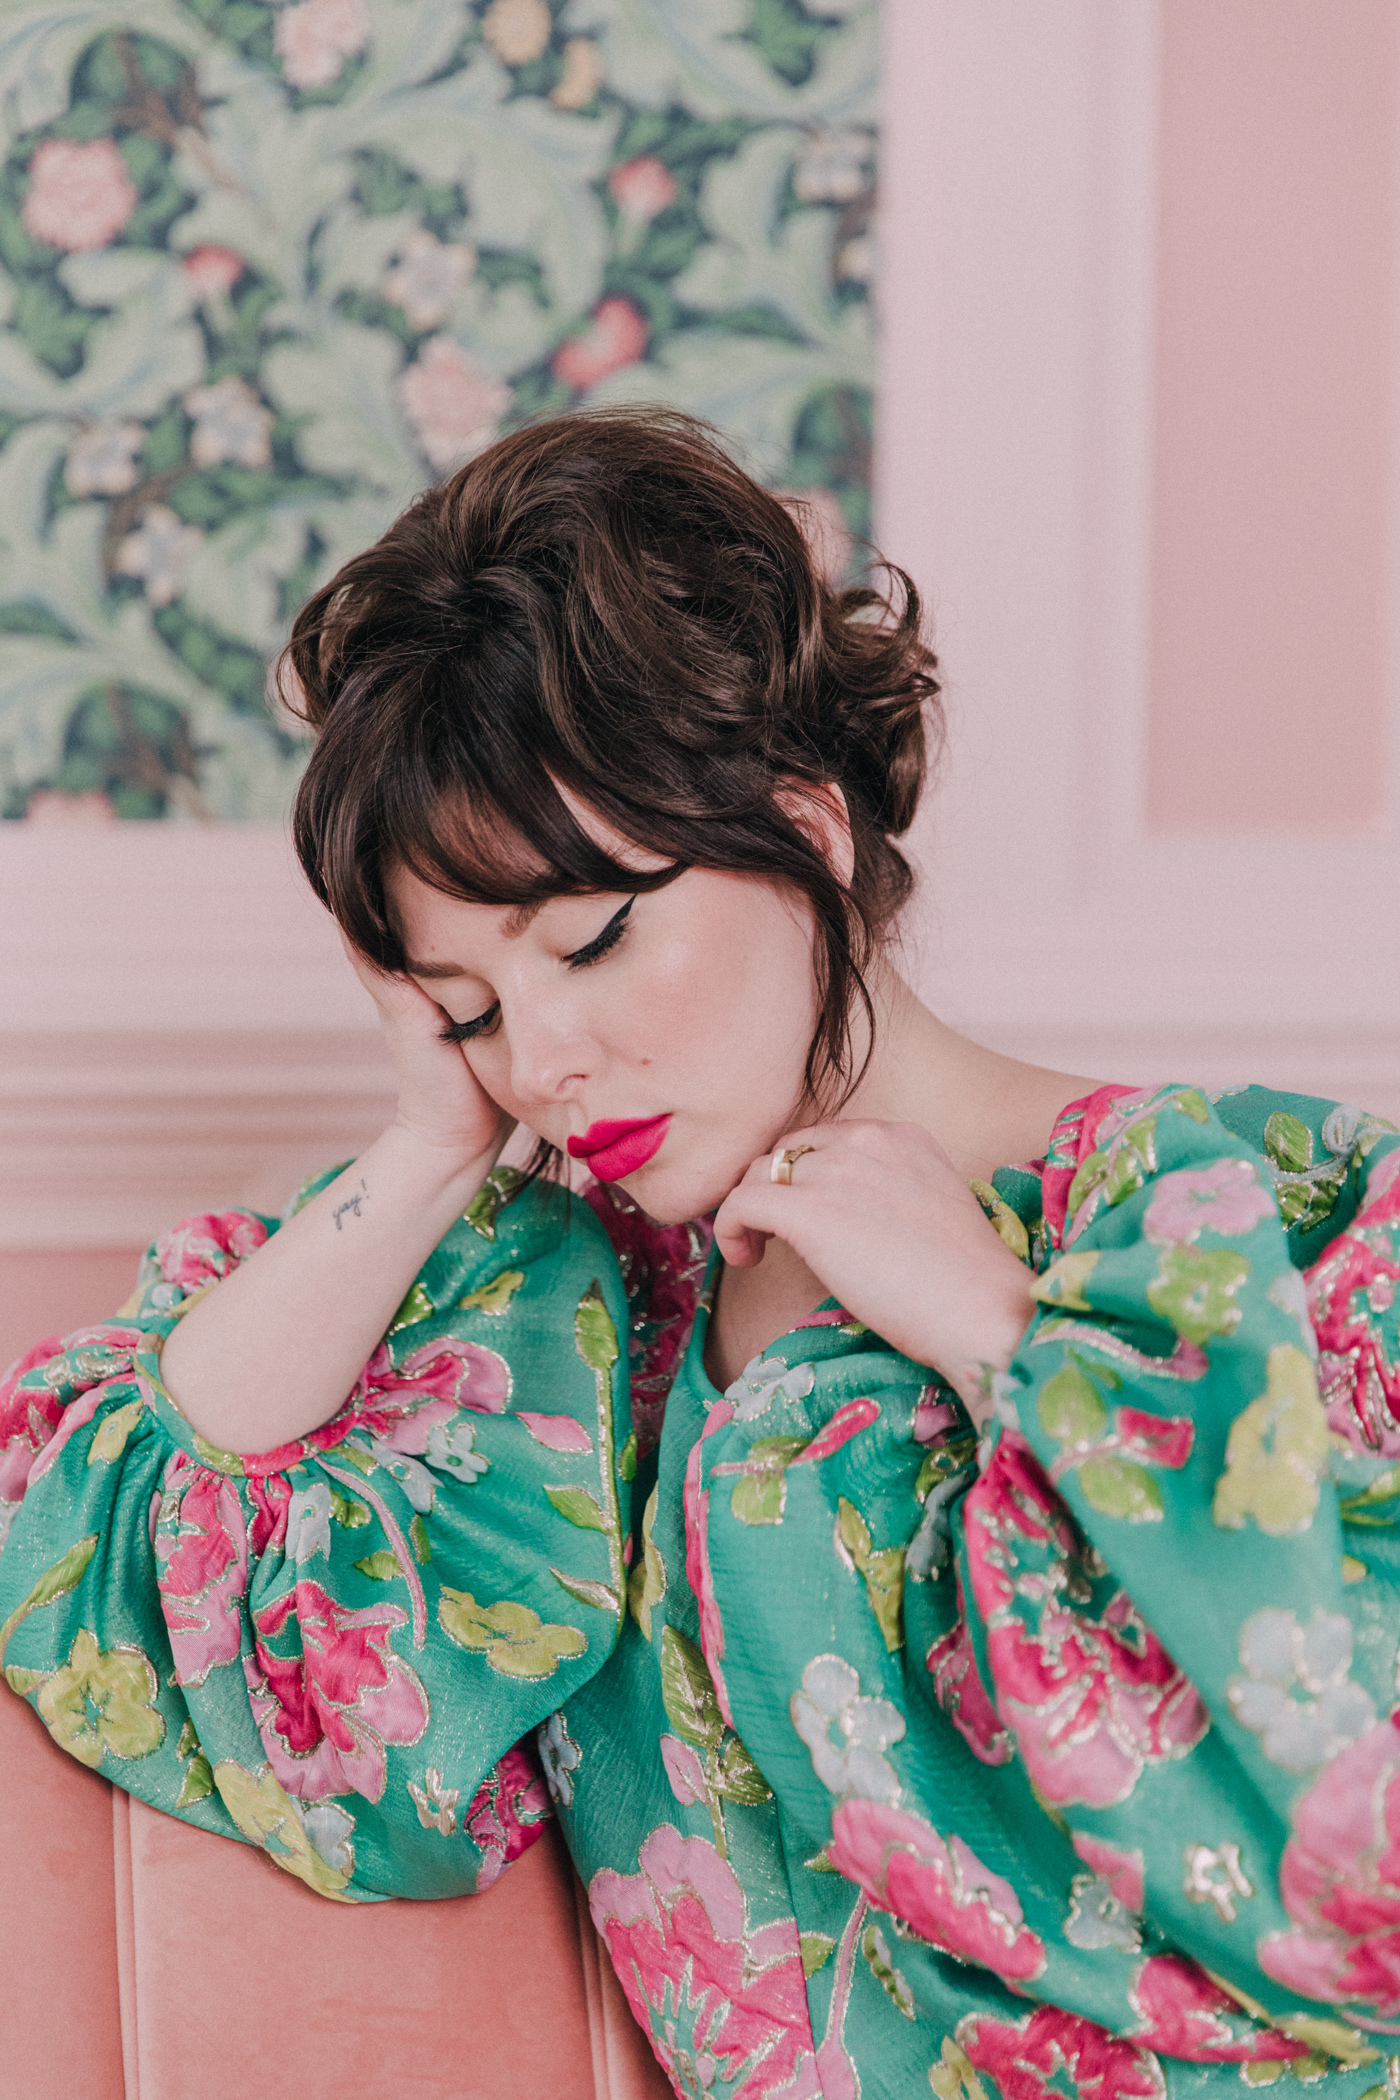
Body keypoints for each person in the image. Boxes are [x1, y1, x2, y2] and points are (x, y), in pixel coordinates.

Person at [2, 408, 1399, 2100]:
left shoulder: (1274, 1225)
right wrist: (427, 1141)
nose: (544, 1062)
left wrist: (996, 1333)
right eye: (471, 1009)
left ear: (807, 835)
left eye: (588, 942)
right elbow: (114, 1535)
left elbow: (1355, 1811)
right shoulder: (579, 1329)